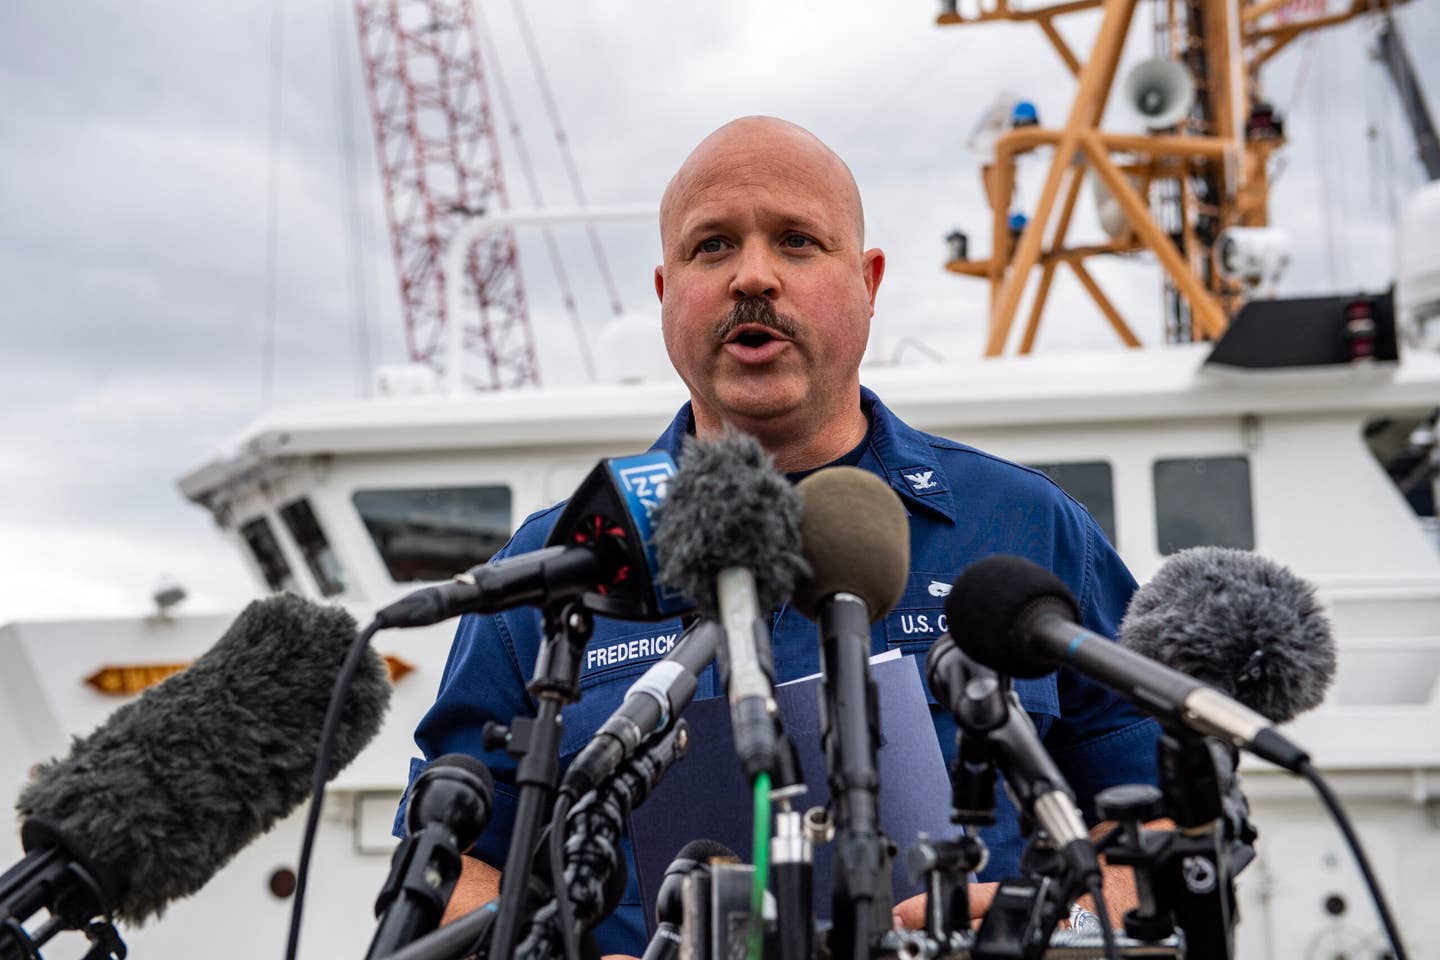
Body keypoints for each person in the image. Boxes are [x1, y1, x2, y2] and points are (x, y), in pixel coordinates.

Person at [397, 116, 1160, 954]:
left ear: (868, 283)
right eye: (713, 247)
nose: (752, 276)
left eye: (797, 242)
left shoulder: (1026, 527)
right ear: (665, 292)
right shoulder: (553, 571)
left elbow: (1173, 818)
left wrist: (1068, 916)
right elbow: (448, 859)